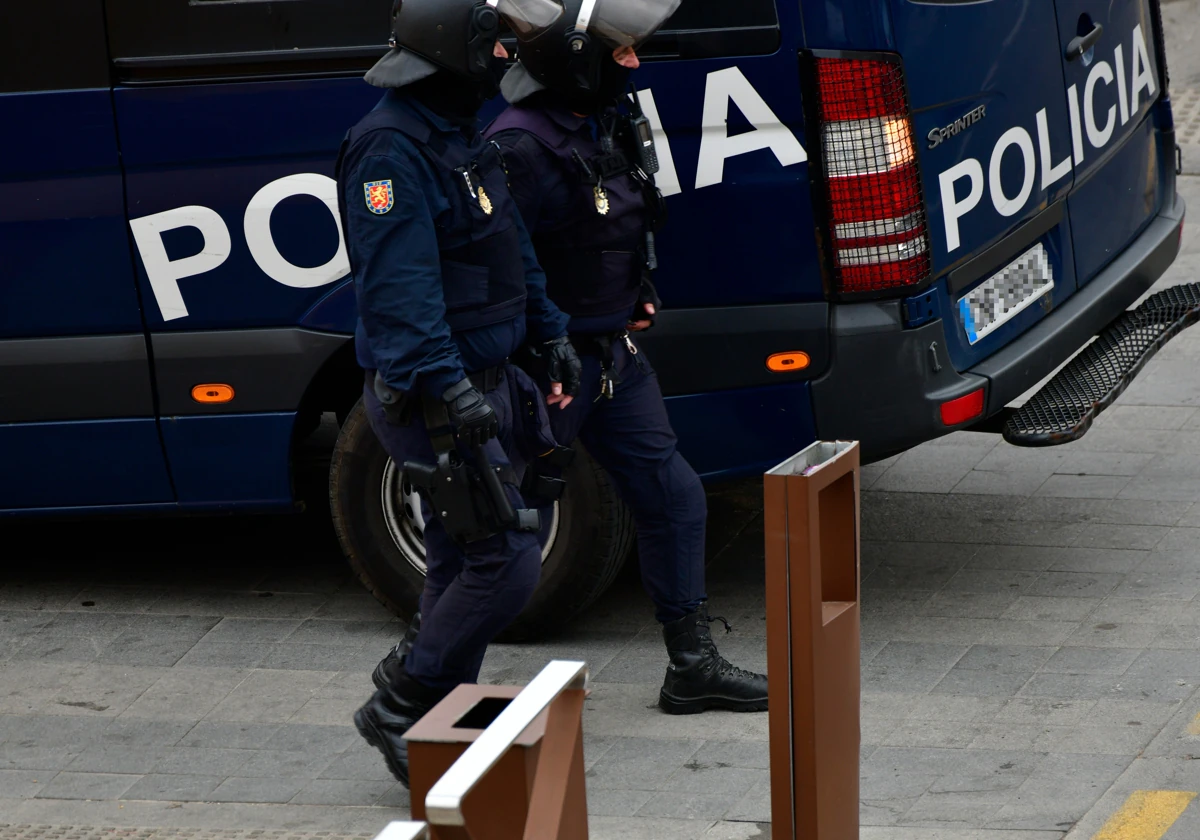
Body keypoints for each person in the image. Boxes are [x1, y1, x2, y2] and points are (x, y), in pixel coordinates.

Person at [482, 0, 769, 715]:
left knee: (674, 497)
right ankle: (423, 678)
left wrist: (634, 290)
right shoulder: (517, 148)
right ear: (575, 61)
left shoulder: (594, 121)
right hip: (548, 368)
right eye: (620, 52)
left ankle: (692, 664)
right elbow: (499, 273)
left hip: (610, 355)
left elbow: (620, 218)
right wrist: (535, 362)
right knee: (500, 529)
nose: (635, 62)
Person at [336, 0, 583, 787]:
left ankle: (446, 718)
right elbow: (401, 298)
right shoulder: (389, 151)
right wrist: (448, 392)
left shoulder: (459, 136)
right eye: (490, 52)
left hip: (491, 376)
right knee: (508, 560)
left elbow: (512, 254)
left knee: (458, 559)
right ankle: (400, 701)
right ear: (449, 57)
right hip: (434, 396)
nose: (501, 66)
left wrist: (550, 332)